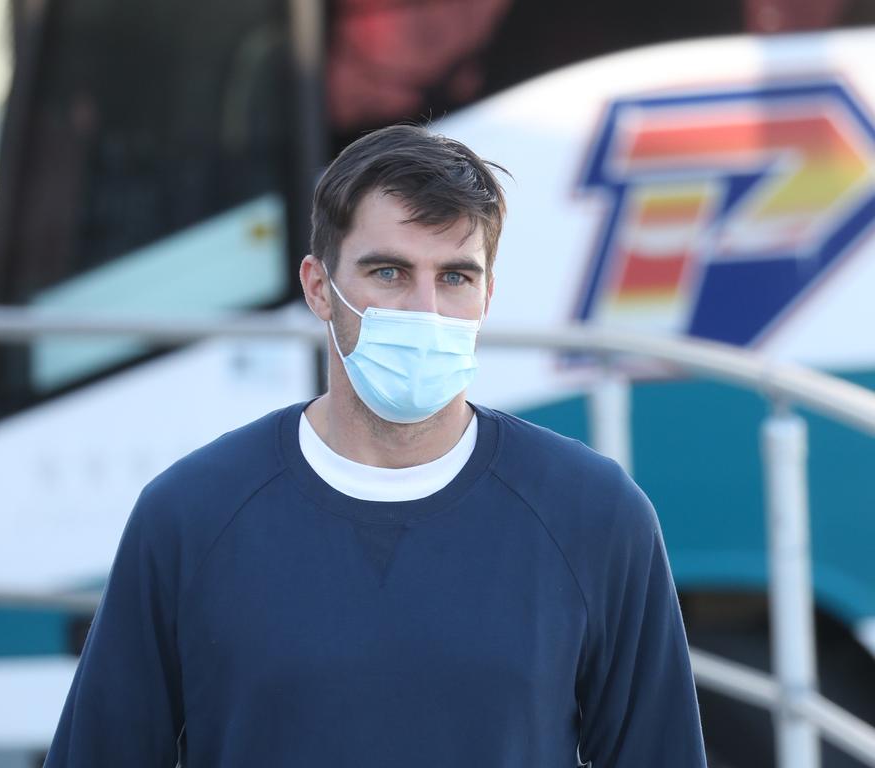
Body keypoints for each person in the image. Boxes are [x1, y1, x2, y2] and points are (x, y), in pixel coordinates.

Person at [44, 124, 708, 767]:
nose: (425, 310)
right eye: (388, 273)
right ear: (318, 289)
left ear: (488, 295)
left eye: (455, 277)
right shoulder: (192, 516)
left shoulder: (594, 515)